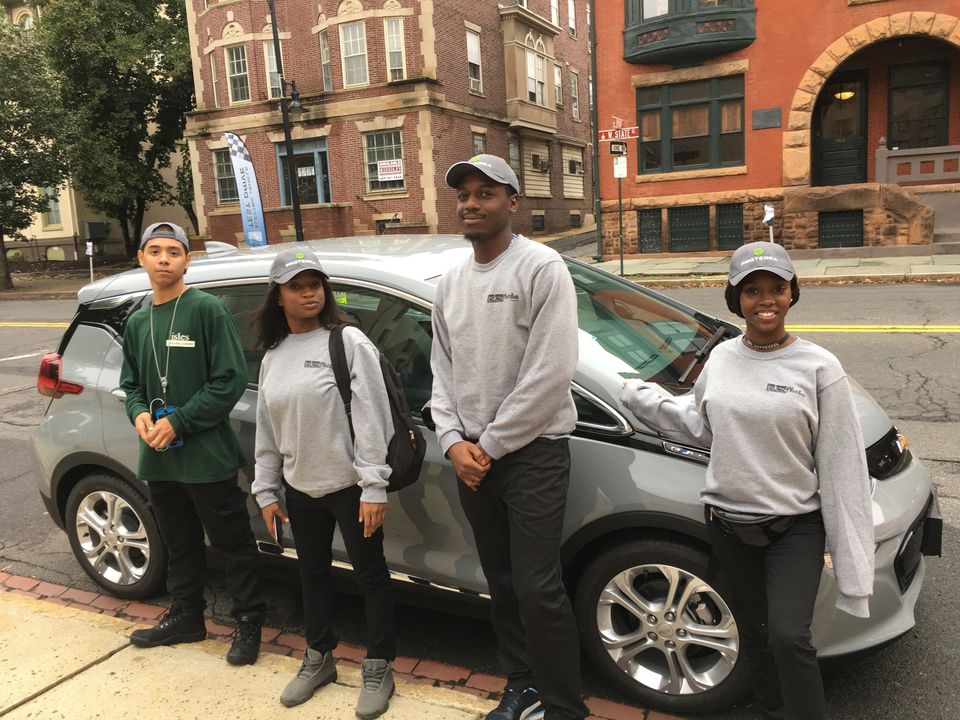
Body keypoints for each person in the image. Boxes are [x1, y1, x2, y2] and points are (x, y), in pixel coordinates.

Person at [621, 241, 875, 720]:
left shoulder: (819, 367)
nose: (765, 300)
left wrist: (853, 562)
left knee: (787, 635)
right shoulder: (719, 359)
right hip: (729, 525)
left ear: (792, 294)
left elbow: (842, 465)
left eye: (776, 288)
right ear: (734, 298)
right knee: (754, 633)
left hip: (793, 526)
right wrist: (639, 398)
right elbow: (701, 423)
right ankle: (770, 710)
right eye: (752, 289)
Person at [430, 154, 588, 720]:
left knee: (539, 588)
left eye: (486, 193)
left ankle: (566, 707)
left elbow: (550, 375)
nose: (471, 203)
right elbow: (441, 372)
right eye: (464, 194)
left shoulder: (541, 269)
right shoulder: (449, 282)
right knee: (500, 581)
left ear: (513, 203)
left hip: (533, 455)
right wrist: (452, 442)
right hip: (471, 457)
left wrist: (488, 447)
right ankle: (521, 685)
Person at [252, 248, 396, 719]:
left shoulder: (347, 341)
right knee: (311, 575)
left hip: (351, 486)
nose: (308, 292)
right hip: (301, 488)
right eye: (296, 286)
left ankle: (379, 664)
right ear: (277, 296)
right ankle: (319, 657)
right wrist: (266, 489)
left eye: (315, 283)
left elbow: (375, 416)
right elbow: (268, 427)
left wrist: (374, 485)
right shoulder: (273, 355)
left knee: (371, 576)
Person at [121, 222, 266, 665]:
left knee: (234, 545)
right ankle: (187, 617)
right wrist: (140, 413)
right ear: (141, 258)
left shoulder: (206, 310)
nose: (164, 259)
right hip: (160, 460)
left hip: (207, 460)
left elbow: (229, 381)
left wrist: (180, 421)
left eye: (174, 251)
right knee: (179, 543)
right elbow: (130, 384)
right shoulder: (137, 319)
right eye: (155, 251)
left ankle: (248, 623)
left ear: (188, 260)